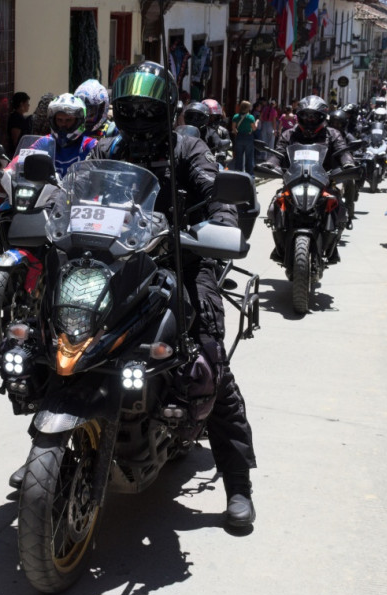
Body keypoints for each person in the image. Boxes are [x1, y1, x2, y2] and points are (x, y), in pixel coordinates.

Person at [93, 61, 258, 528]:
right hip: (117, 262)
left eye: (148, 109)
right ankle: (54, 447)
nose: (139, 117)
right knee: (68, 335)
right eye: (131, 108)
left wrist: (217, 226)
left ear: (164, 109)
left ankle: (238, 482)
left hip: (183, 261)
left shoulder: (188, 147)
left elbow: (218, 195)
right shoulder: (108, 146)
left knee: (206, 359)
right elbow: (77, 192)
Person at [260, 95, 355, 264]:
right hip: (295, 180)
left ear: (321, 117)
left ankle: (332, 245)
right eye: (305, 115)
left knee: (339, 208)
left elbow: (343, 151)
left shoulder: (332, 134)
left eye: (313, 116)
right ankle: (280, 244)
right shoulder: (290, 134)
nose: (309, 120)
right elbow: (279, 152)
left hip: (324, 181)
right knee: (276, 205)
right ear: (299, 116)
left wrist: (348, 163)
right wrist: (270, 163)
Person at [39, 93, 97, 176]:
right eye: (59, 120)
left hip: (78, 188)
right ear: (53, 121)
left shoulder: (89, 144)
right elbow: (20, 160)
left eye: (68, 120)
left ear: (79, 121)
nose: (63, 125)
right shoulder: (45, 141)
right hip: (49, 188)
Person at [230, 100, 257, 174]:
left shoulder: (235, 116)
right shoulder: (250, 117)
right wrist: (257, 122)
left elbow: (233, 129)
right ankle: (249, 174)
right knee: (249, 157)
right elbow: (254, 128)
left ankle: (238, 173)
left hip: (239, 137)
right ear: (248, 108)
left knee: (238, 156)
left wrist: (237, 133)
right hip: (248, 137)